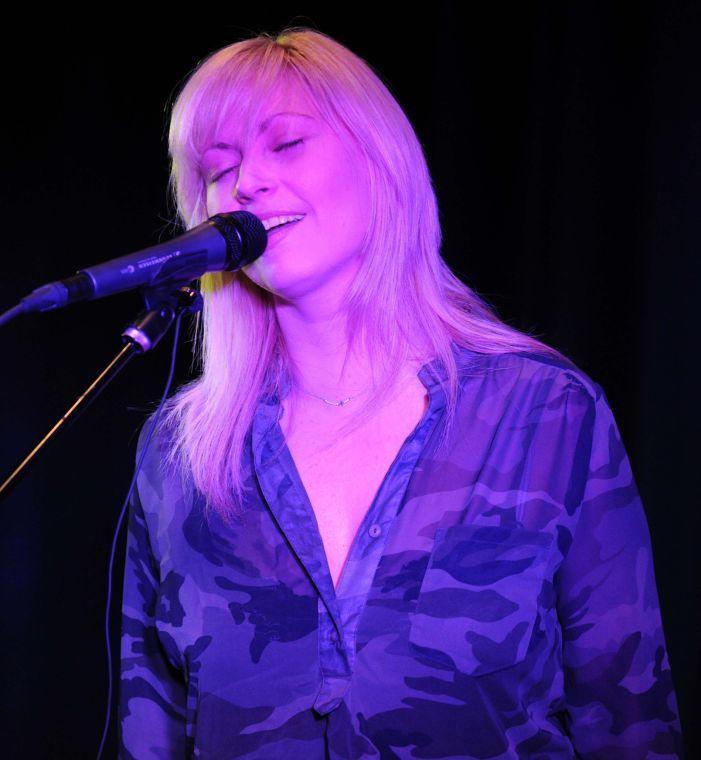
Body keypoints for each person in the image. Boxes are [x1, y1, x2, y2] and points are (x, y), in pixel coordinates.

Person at [118, 27, 683, 759]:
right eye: (218, 168)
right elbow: (150, 732)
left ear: (379, 161)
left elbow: (632, 722)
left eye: (285, 144)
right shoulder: (178, 455)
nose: (247, 184)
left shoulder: (545, 416)